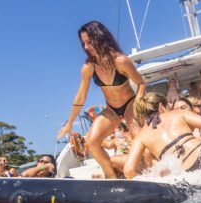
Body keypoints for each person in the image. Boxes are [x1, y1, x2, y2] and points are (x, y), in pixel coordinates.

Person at [57, 21, 146, 179]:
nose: (85, 47)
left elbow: (141, 83)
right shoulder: (88, 67)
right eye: (83, 43)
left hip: (130, 105)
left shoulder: (121, 61)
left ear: (100, 38)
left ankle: (145, 173)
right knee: (92, 142)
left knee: (139, 140)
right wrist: (69, 123)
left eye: (89, 42)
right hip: (111, 110)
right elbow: (81, 96)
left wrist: (138, 103)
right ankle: (111, 177)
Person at [123, 92, 201, 178]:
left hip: (185, 173)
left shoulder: (141, 137)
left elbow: (128, 170)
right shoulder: (178, 113)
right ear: (161, 106)